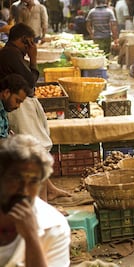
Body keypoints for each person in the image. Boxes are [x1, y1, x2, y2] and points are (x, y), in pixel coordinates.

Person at [0, 23, 71, 201]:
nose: (30, 47)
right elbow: (29, 82)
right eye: (29, 44)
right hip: (22, 110)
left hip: (25, 105)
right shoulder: (10, 54)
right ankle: (42, 202)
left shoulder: (13, 54)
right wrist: (33, 59)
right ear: (24, 40)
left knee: (38, 148)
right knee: (35, 152)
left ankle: (49, 191)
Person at [0, 134, 71, 267]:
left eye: (33, 182)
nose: (24, 191)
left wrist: (32, 237)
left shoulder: (53, 226)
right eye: (16, 179)